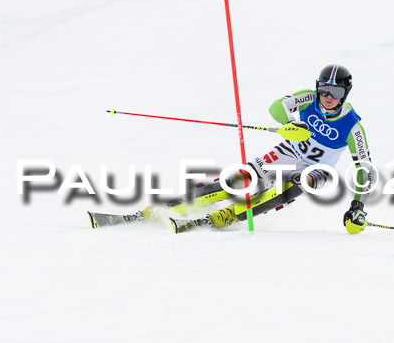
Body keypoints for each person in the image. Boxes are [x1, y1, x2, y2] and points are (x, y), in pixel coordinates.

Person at [138, 64, 373, 233]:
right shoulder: (308, 97)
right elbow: (277, 107)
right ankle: (175, 206)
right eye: (324, 89)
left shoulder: (353, 126)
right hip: (289, 152)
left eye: (336, 92)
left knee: (304, 180)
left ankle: (227, 215)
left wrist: (357, 205)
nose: (328, 97)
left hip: (319, 169)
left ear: (346, 94)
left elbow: (364, 170)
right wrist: (290, 123)